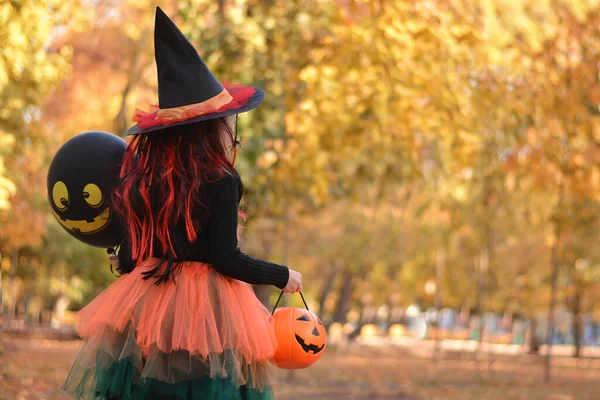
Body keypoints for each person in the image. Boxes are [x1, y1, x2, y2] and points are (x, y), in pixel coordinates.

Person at [62, 7, 302, 400]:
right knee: (204, 388)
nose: (231, 131)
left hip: (146, 304)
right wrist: (282, 275)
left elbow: (129, 254)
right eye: (227, 122)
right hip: (204, 313)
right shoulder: (220, 181)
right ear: (211, 130)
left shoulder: (143, 180)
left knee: (146, 389)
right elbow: (225, 257)